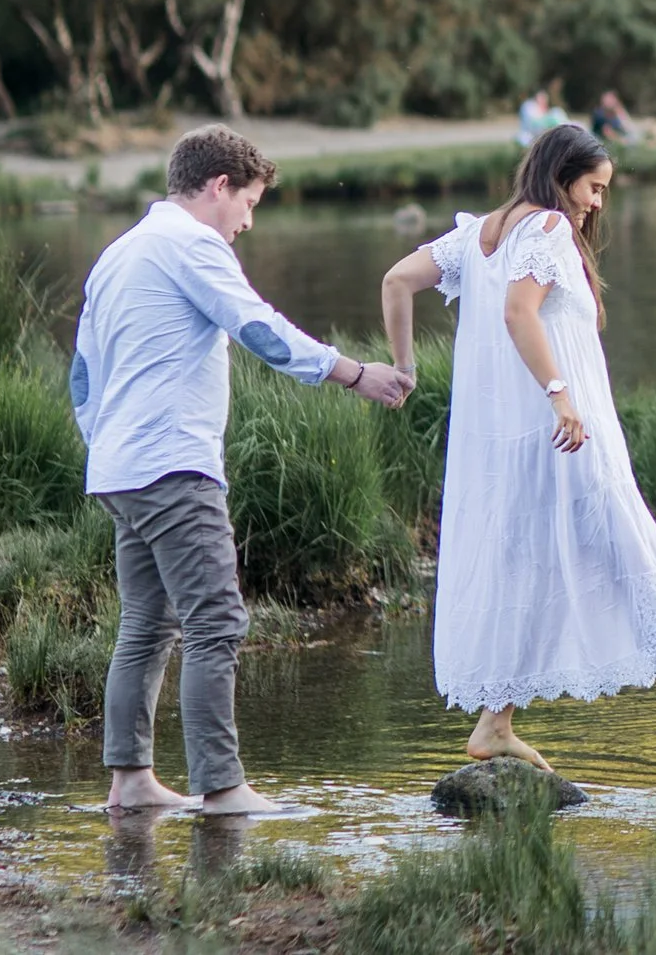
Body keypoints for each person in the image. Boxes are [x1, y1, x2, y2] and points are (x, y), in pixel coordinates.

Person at [378, 124, 656, 773]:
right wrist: (560, 395)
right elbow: (520, 312)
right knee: (637, 554)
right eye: (594, 187)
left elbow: (396, 280)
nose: (597, 202)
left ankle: (495, 722)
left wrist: (405, 369)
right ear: (560, 173)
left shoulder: (479, 233)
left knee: (532, 564)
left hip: (509, 446)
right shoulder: (543, 228)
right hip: (565, 435)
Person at [73, 125, 414, 814]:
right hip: (173, 464)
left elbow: (83, 372)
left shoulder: (120, 250)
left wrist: (104, 444)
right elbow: (257, 327)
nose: (248, 222)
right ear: (219, 186)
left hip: (118, 467)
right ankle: (222, 787)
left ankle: (131, 782)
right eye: (250, 203)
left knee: (147, 620)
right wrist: (353, 372)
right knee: (217, 620)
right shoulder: (192, 243)